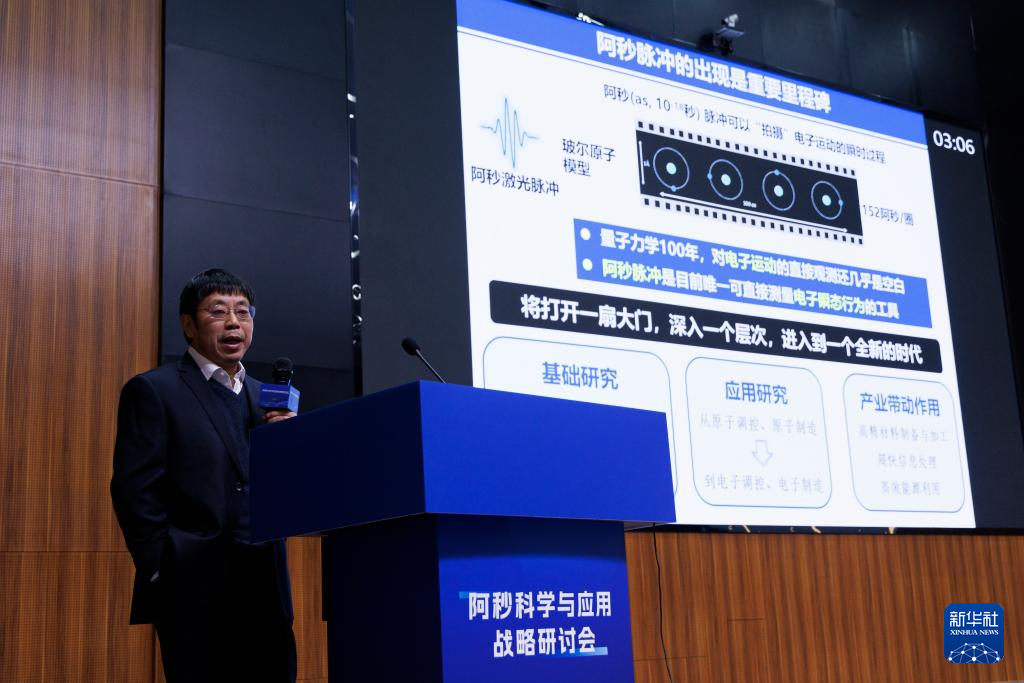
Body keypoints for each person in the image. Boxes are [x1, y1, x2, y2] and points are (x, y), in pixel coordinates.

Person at [111, 268, 297, 682]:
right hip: (193, 588)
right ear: (188, 325)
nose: (234, 322)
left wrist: (291, 446)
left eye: (243, 312)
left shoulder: (267, 398)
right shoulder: (155, 390)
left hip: (265, 587)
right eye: (218, 311)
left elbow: (284, 490)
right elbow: (134, 490)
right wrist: (160, 566)